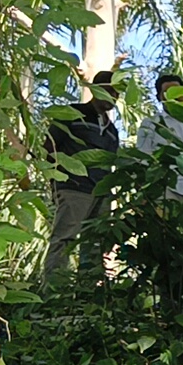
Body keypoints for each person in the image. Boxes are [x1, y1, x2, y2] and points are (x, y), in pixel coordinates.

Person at [43, 70, 120, 276]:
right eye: (109, 90)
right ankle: (53, 290)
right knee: (64, 238)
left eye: (117, 92)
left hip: (101, 192)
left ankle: (87, 294)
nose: (114, 96)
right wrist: (58, 178)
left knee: (94, 244)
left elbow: (111, 162)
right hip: (74, 188)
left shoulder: (112, 130)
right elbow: (49, 147)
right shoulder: (72, 113)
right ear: (96, 90)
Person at [136, 72, 183, 199]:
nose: (174, 96)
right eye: (167, 92)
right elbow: (143, 156)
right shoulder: (151, 124)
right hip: (165, 189)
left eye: (177, 91)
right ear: (159, 97)